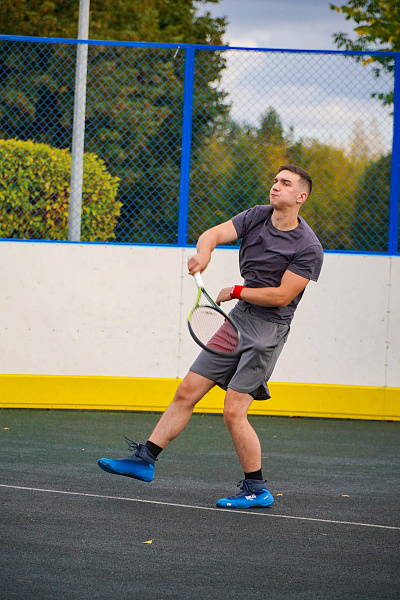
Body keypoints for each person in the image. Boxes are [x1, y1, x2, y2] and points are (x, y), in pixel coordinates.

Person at [98, 164, 324, 509]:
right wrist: (204, 254)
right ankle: (145, 460)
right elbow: (213, 234)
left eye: (285, 183)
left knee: (234, 411)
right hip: (237, 321)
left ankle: (257, 489)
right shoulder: (257, 216)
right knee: (187, 391)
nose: (276, 186)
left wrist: (237, 290)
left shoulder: (308, 247)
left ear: (301, 196)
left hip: (268, 330)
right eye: (275, 180)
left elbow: (281, 296)